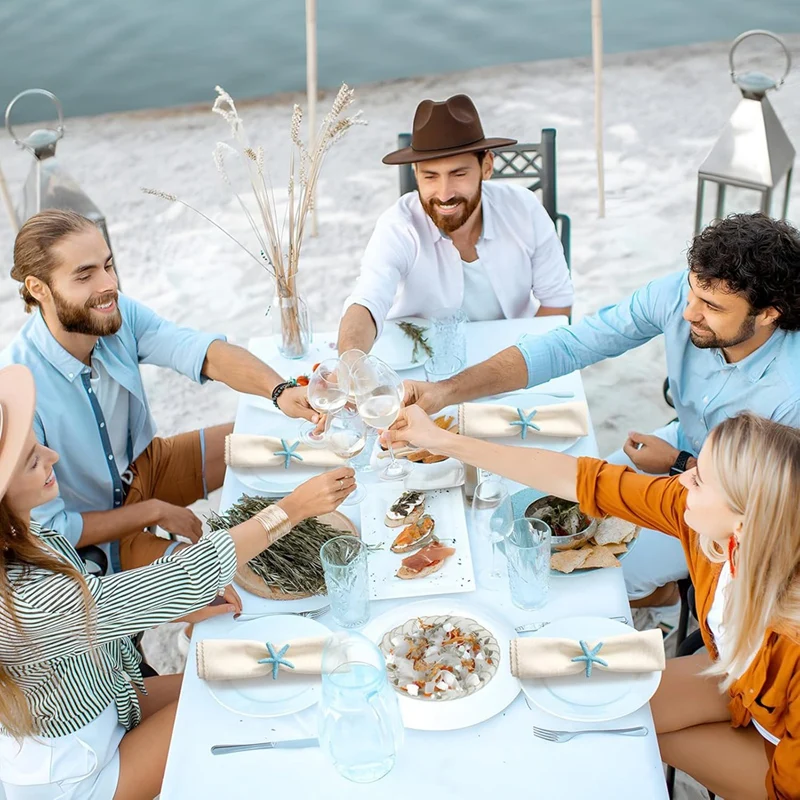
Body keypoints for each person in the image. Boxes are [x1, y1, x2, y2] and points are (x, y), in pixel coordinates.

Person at [384, 405, 799, 800]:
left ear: (745, 521)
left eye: (700, 479)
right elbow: (585, 479)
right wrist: (441, 440)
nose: (683, 477)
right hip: (737, 684)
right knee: (582, 716)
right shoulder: (715, 529)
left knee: (619, 744)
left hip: (784, 764)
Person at [403, 212, 800, 611]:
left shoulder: (791, 394)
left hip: (725, 505)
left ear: (769, 313)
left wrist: (680, 463)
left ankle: (665, 600)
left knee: (596, 577)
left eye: (710, 306)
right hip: (682, 447)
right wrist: (444, 392)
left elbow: (767, 510)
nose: (687, 313)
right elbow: (572, 345)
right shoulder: (684, 295)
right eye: (692, 292)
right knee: (556, 513)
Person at [0, 363, 355, 800]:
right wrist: (293, 508)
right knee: (239, 709)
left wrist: (171, 603)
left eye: (43, 447)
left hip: (110, 699)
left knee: (255, 678)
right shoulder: (24, 603)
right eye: (33, 461)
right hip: (81, 771)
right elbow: (172, 578)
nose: (52, 459)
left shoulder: (21, 537)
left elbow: (95, 614)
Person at [1, 209, 319, 574]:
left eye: (108, 266)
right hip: (98, 534)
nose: (108, 285)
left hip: (147, 466)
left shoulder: (114, 312)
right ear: (38, 288)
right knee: (222, 585)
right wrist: (153, 511)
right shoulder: (19, 388)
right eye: (85, 275)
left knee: (282, 442)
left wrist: (279, 391)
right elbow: (52, 530)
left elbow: (199, 351)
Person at [337, 93, 573, 355]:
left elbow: (557, 302)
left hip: (517, 352)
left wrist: (518, 366)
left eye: (458, 174)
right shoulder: (398, 225)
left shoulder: (525, 208)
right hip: (421, 360)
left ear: (487, 166)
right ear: (415, 174)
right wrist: (350, 361)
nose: (444, 193)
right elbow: (367, 301)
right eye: (430, 176)